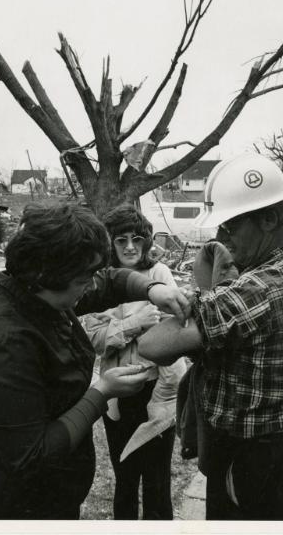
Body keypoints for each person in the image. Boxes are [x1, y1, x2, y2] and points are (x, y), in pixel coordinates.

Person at [0, 203, 189, 520]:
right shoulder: (6, 344)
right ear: (50, 273)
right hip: (11, 508)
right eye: (84, 278)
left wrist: (153, 288)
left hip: (50, 498)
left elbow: (108, 281)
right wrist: (101, 392)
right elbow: (30, 456)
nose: (92, 285)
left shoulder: (39, 292)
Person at [138, 152, 283, 521]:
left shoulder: (249, 293)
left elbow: (154, 346)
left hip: (254, 463)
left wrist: (204, 295)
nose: (221, 238)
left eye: (229, 227)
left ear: (271, 218)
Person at [84, 204, 186, 520]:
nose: (130, 247)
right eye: (121, 240)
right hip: (117, 395)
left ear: (146, 242)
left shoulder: (159, 276)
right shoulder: (98, 283)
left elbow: (174, 333)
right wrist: (135, 323)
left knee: (157, 483)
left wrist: (122, 328)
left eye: (137, 240)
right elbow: (92, 336)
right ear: (109, 244)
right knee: (125, 480)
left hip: (158, 390)